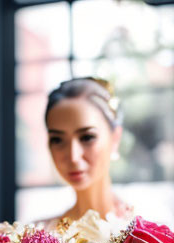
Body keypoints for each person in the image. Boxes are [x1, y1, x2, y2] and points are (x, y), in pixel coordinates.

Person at [42, 77, 134, 225]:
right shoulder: (38, 236)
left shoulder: (148, 237)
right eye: (57, 140)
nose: (73, 156)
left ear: (115, 139)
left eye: (87, 137)